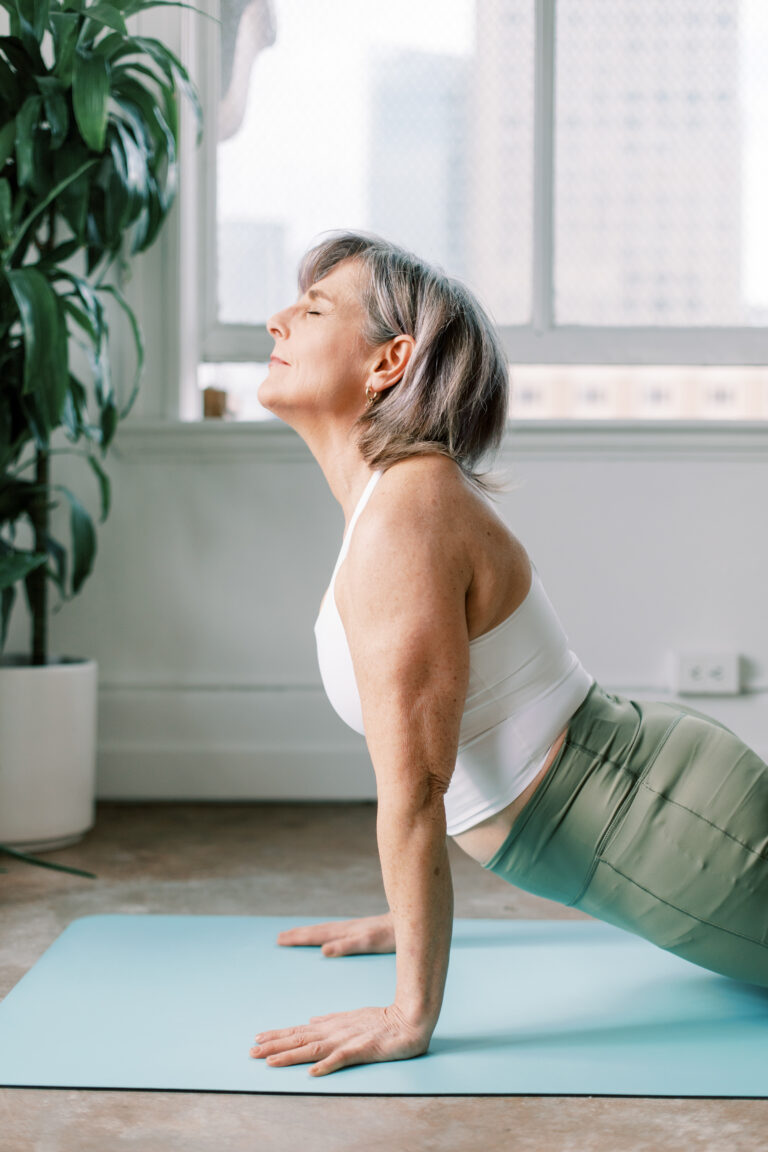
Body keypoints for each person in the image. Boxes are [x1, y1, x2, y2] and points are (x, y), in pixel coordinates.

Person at [249, 230, 768, 1078]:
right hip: (651, 813)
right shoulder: (392, 501)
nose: (276, 323)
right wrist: (408, 919)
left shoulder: (406, 513)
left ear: (390, 361)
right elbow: (484, 761)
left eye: (311, 310)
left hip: (678, 827)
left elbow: (418, 789)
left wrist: (408, 1014)